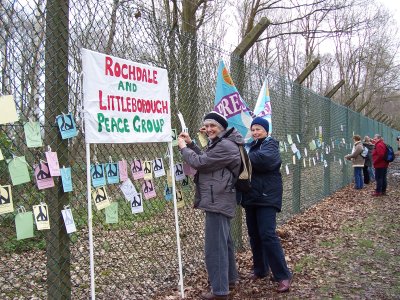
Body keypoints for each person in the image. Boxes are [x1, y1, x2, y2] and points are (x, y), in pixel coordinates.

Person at [178, 111, 243, 300]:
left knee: (215, 247)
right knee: (224, 242)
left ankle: (220, 291)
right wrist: (191, 144)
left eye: (212, 126)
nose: (208, 129)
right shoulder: (223, 143)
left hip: (218, 199)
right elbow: (208, 160)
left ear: (222, 127)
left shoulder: (226, 146)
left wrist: (183, 148)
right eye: (206, 126)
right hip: (219, 197)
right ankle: (229, 279)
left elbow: (200, 162)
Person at [240, 117, 293, 293]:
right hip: (251, 196)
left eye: (259, 129)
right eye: (253, 129)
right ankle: (260, 269)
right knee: (254, 235)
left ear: (266, 131)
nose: (255, 132)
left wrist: (242, 155)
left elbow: (265, 160)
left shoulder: (270, 145)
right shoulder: (251, 145)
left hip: (267, 196)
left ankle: (283, 275)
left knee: (267, 234)